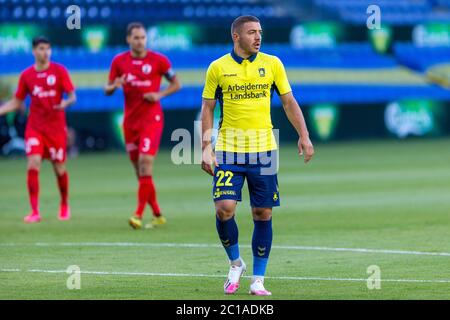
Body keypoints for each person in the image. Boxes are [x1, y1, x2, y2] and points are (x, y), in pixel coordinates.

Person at [201, 15, 314, 296]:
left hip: (263, 150)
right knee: (224, 208)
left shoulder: (273, 64)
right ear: (236, 36)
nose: (258, 37)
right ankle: (235, 263)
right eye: (252, 32)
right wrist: (205, 146)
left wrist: (304, 135)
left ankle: (258, 280)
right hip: (229, 149)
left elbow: (288, 102)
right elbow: (207, 108)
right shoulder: (217, 68)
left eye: (260, 32)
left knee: (262, 213)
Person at [105, 22, 181, 229]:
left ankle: (137, 214)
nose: (140, 41)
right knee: (141, 173)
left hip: (152, 120)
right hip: (130, 123)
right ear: (128, 39)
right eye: (136, 37)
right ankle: (157, 214)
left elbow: (176, 83)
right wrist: (114, 85)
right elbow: (107, 88)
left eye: (143, 37)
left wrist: (159, 94)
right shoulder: (119, 61)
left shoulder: (159, 60)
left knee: (145, 163)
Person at [0, 36, 76, 223]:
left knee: (59, 168)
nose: (45, 52)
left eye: (48, 49)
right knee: (33, 162)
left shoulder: (59, 71)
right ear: (34, 51)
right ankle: (35, 211)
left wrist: (65, 102)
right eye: (42, 48)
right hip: (35, 127)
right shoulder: (27, 75)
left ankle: (64, 204)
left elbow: (72, 96)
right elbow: (17, 101)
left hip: (56, 128)